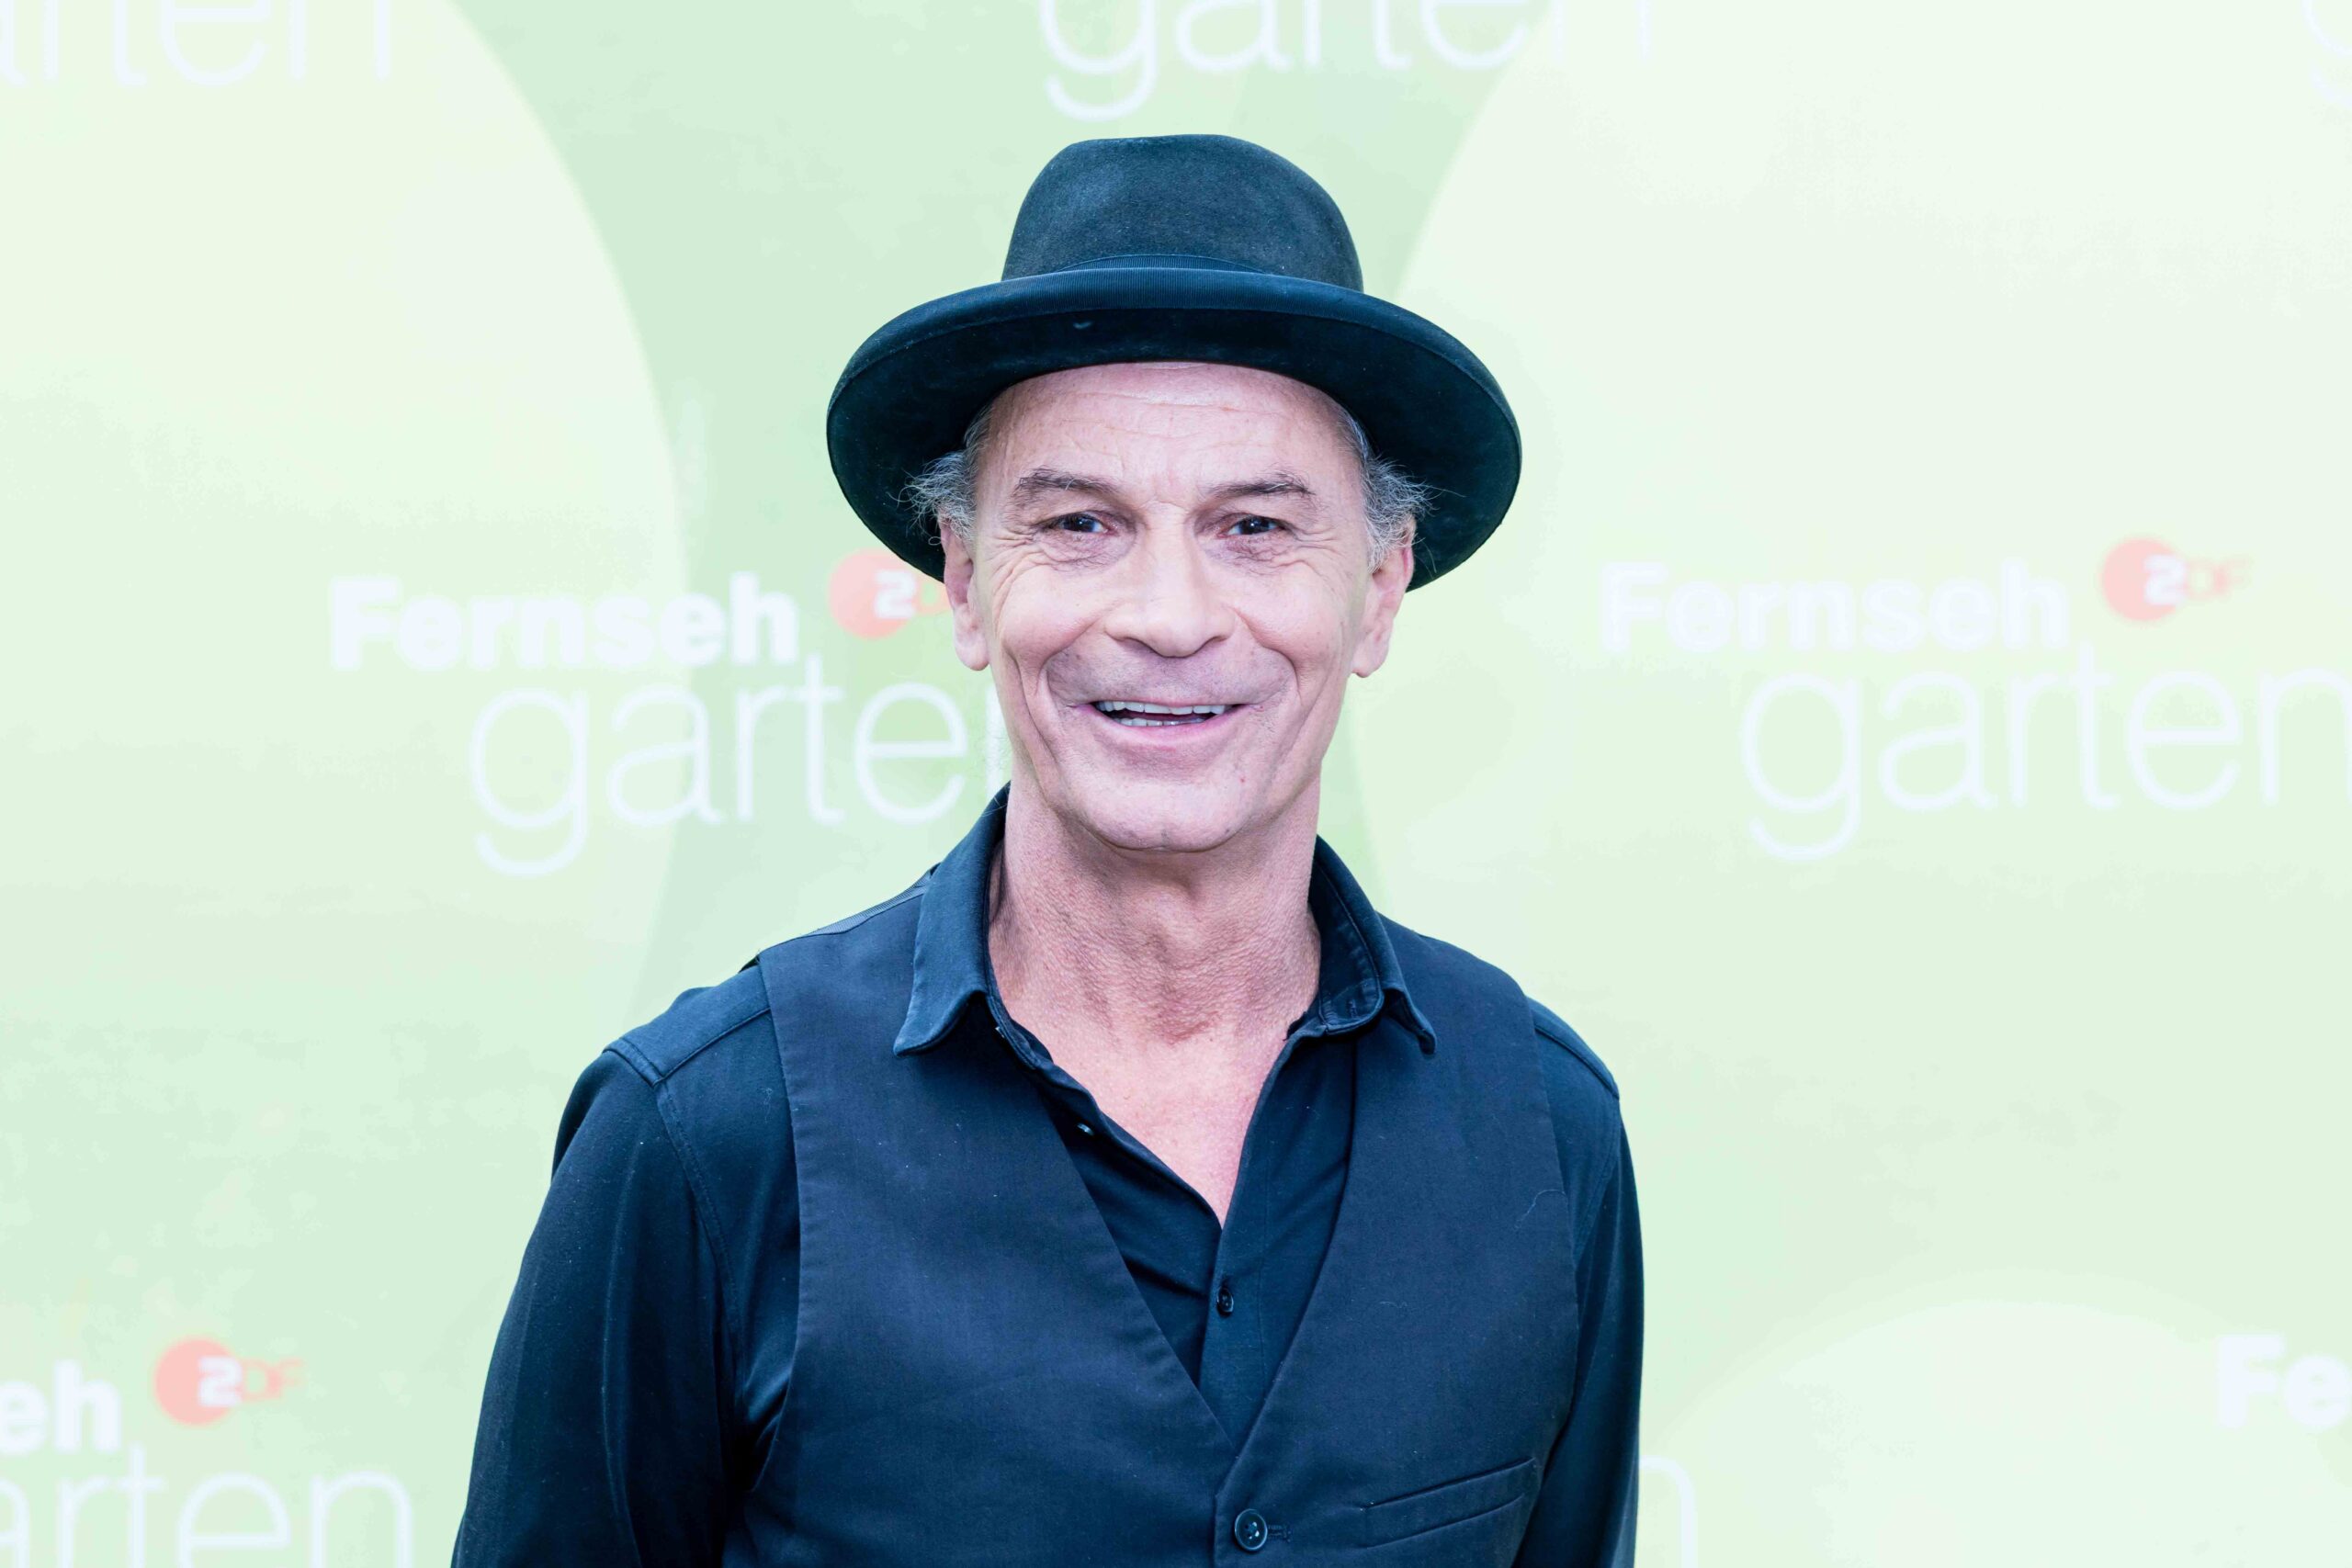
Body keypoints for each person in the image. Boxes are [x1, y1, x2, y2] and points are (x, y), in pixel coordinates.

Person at [451, 132, 1642, 1567]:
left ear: (1378, 589)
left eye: (1255, 527)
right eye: (1080, 523)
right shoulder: (707, 1141)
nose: (1168, 615)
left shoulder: (1544, 1129)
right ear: (964, 581)